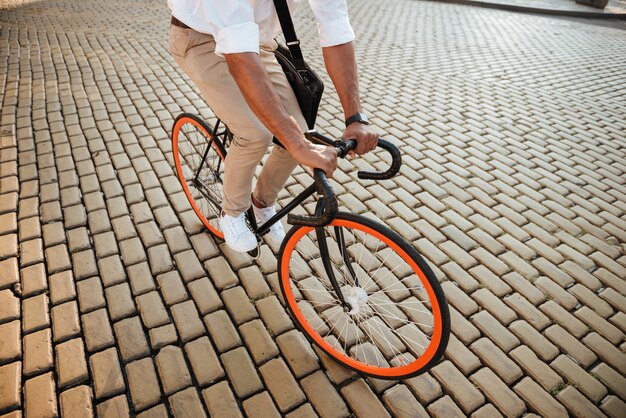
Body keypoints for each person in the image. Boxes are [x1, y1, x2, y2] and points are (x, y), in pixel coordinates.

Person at [167, 0, 379, 252]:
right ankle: (232, 212)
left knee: (300, 131)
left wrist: (355, 117)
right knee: (255, 133)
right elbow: (239, 56)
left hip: (256, 40)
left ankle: (262, 203)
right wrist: (296, 143)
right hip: (200, 38)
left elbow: (335, 26)